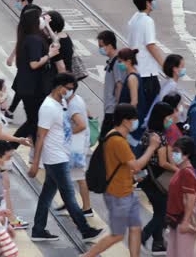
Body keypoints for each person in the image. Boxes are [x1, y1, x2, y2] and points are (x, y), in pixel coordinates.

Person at [28, 73, 103, 242]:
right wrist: (35, 164)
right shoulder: (47, 108)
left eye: (72, 89)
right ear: (58, 86)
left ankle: (38, 229)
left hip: (61, 154)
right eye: (68, 88)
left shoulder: (60, 102)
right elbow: (40, 137)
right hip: (55, 158)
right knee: (69, 196)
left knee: (47, 195)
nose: (70, 92)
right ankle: (85, 230)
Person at [82, 103, 161, 257]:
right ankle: (86, 256)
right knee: (117, 235)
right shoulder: (118, 141)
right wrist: (152, 147)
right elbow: (136, 165)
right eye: (134, 119)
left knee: (135, 227)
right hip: (117, 194)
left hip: (127, 190)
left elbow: (124, 166)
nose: (135, 122)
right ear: (125, 121)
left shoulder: (116, 136)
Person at [11, 8, 59, 149]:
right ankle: (9, 147)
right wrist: (49, 55)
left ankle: (29, 148)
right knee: (35, 120)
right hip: (33, 88)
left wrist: (48, 26)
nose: (42, 20)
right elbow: (34, 64)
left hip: (30, 87)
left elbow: (56, 40)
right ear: (34, 21)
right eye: (40, 18)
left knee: (35, 120)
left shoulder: (29, 37)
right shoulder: (34, 40)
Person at [139, 102, 179, 255]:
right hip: (158, 178)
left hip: (148, 177)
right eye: (168, 117)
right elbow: (162, 162)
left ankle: (158, 244)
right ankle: (143, 236)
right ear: (161, 117)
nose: (170, 119)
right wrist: (177, 170)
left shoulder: (148, 133)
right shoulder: (160, 137)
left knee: (159, 210)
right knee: (162, 212)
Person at [55, 82, 94, 217]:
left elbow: (82, 125)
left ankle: (87, 208)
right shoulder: (76, 99)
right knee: (69, 177)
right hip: (77, 145)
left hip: (75, 148)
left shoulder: (73, 105)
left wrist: (65, 133)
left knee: (78, 177)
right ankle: (70, 203)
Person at [128, 0, 164, 110]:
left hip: (137, 71)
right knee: (153, 110)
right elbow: (151, 45)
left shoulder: (134, 18)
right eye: (152, 0)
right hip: (148, 73)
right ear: (148, 3)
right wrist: (165, 66)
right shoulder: (147, 21)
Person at [166, 136, 196, 257]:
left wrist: (186, 222)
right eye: (173, 151)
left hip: (183, 221)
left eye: (177, 152)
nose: (174, 154)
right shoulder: (181, 169)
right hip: (176, 220)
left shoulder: (186, 172)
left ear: (187, 155)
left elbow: (191, 198)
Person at [143, 54, 185, 127]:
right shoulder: (171, 86)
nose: (184, 69)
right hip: (164, 123)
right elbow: (163, 103)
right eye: (182, 66)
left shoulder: (170, 83)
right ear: (175, 69)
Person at [97, 30, 125, 140]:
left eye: (101, 46)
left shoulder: (117, 62)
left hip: (113, 110)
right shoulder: (112, 61)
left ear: (109, 45)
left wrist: (118, 108)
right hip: (110, 109)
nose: (100, 49)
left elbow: (119, 86)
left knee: (104, 141)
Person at [117, 48, 147, 149]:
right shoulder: (135, 73)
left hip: (130, 120)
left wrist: (126, 119)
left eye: (120, 61)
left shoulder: (132, 78)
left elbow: (134, 101)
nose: (118, 64)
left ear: (128, 61)